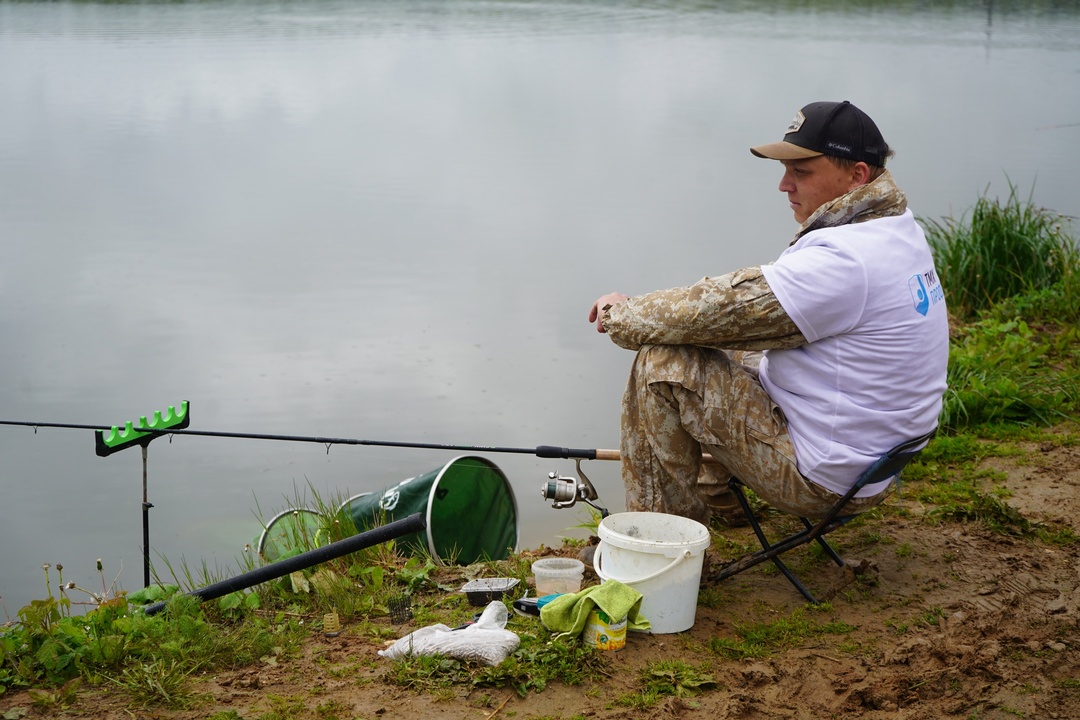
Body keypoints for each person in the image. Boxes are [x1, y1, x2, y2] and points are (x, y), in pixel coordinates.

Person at [588, 100, 949, 527]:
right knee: (724, 350)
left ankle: (658, 543)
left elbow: (712, 310)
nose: (784, 185)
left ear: (857, 175)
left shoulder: (845, 261)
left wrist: (619, 313)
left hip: (824, 480)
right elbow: (726, 324)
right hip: (875, 461)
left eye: (801, 172)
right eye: (785, 170)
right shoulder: (897, 227)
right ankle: (720, 501)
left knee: (662, 364)